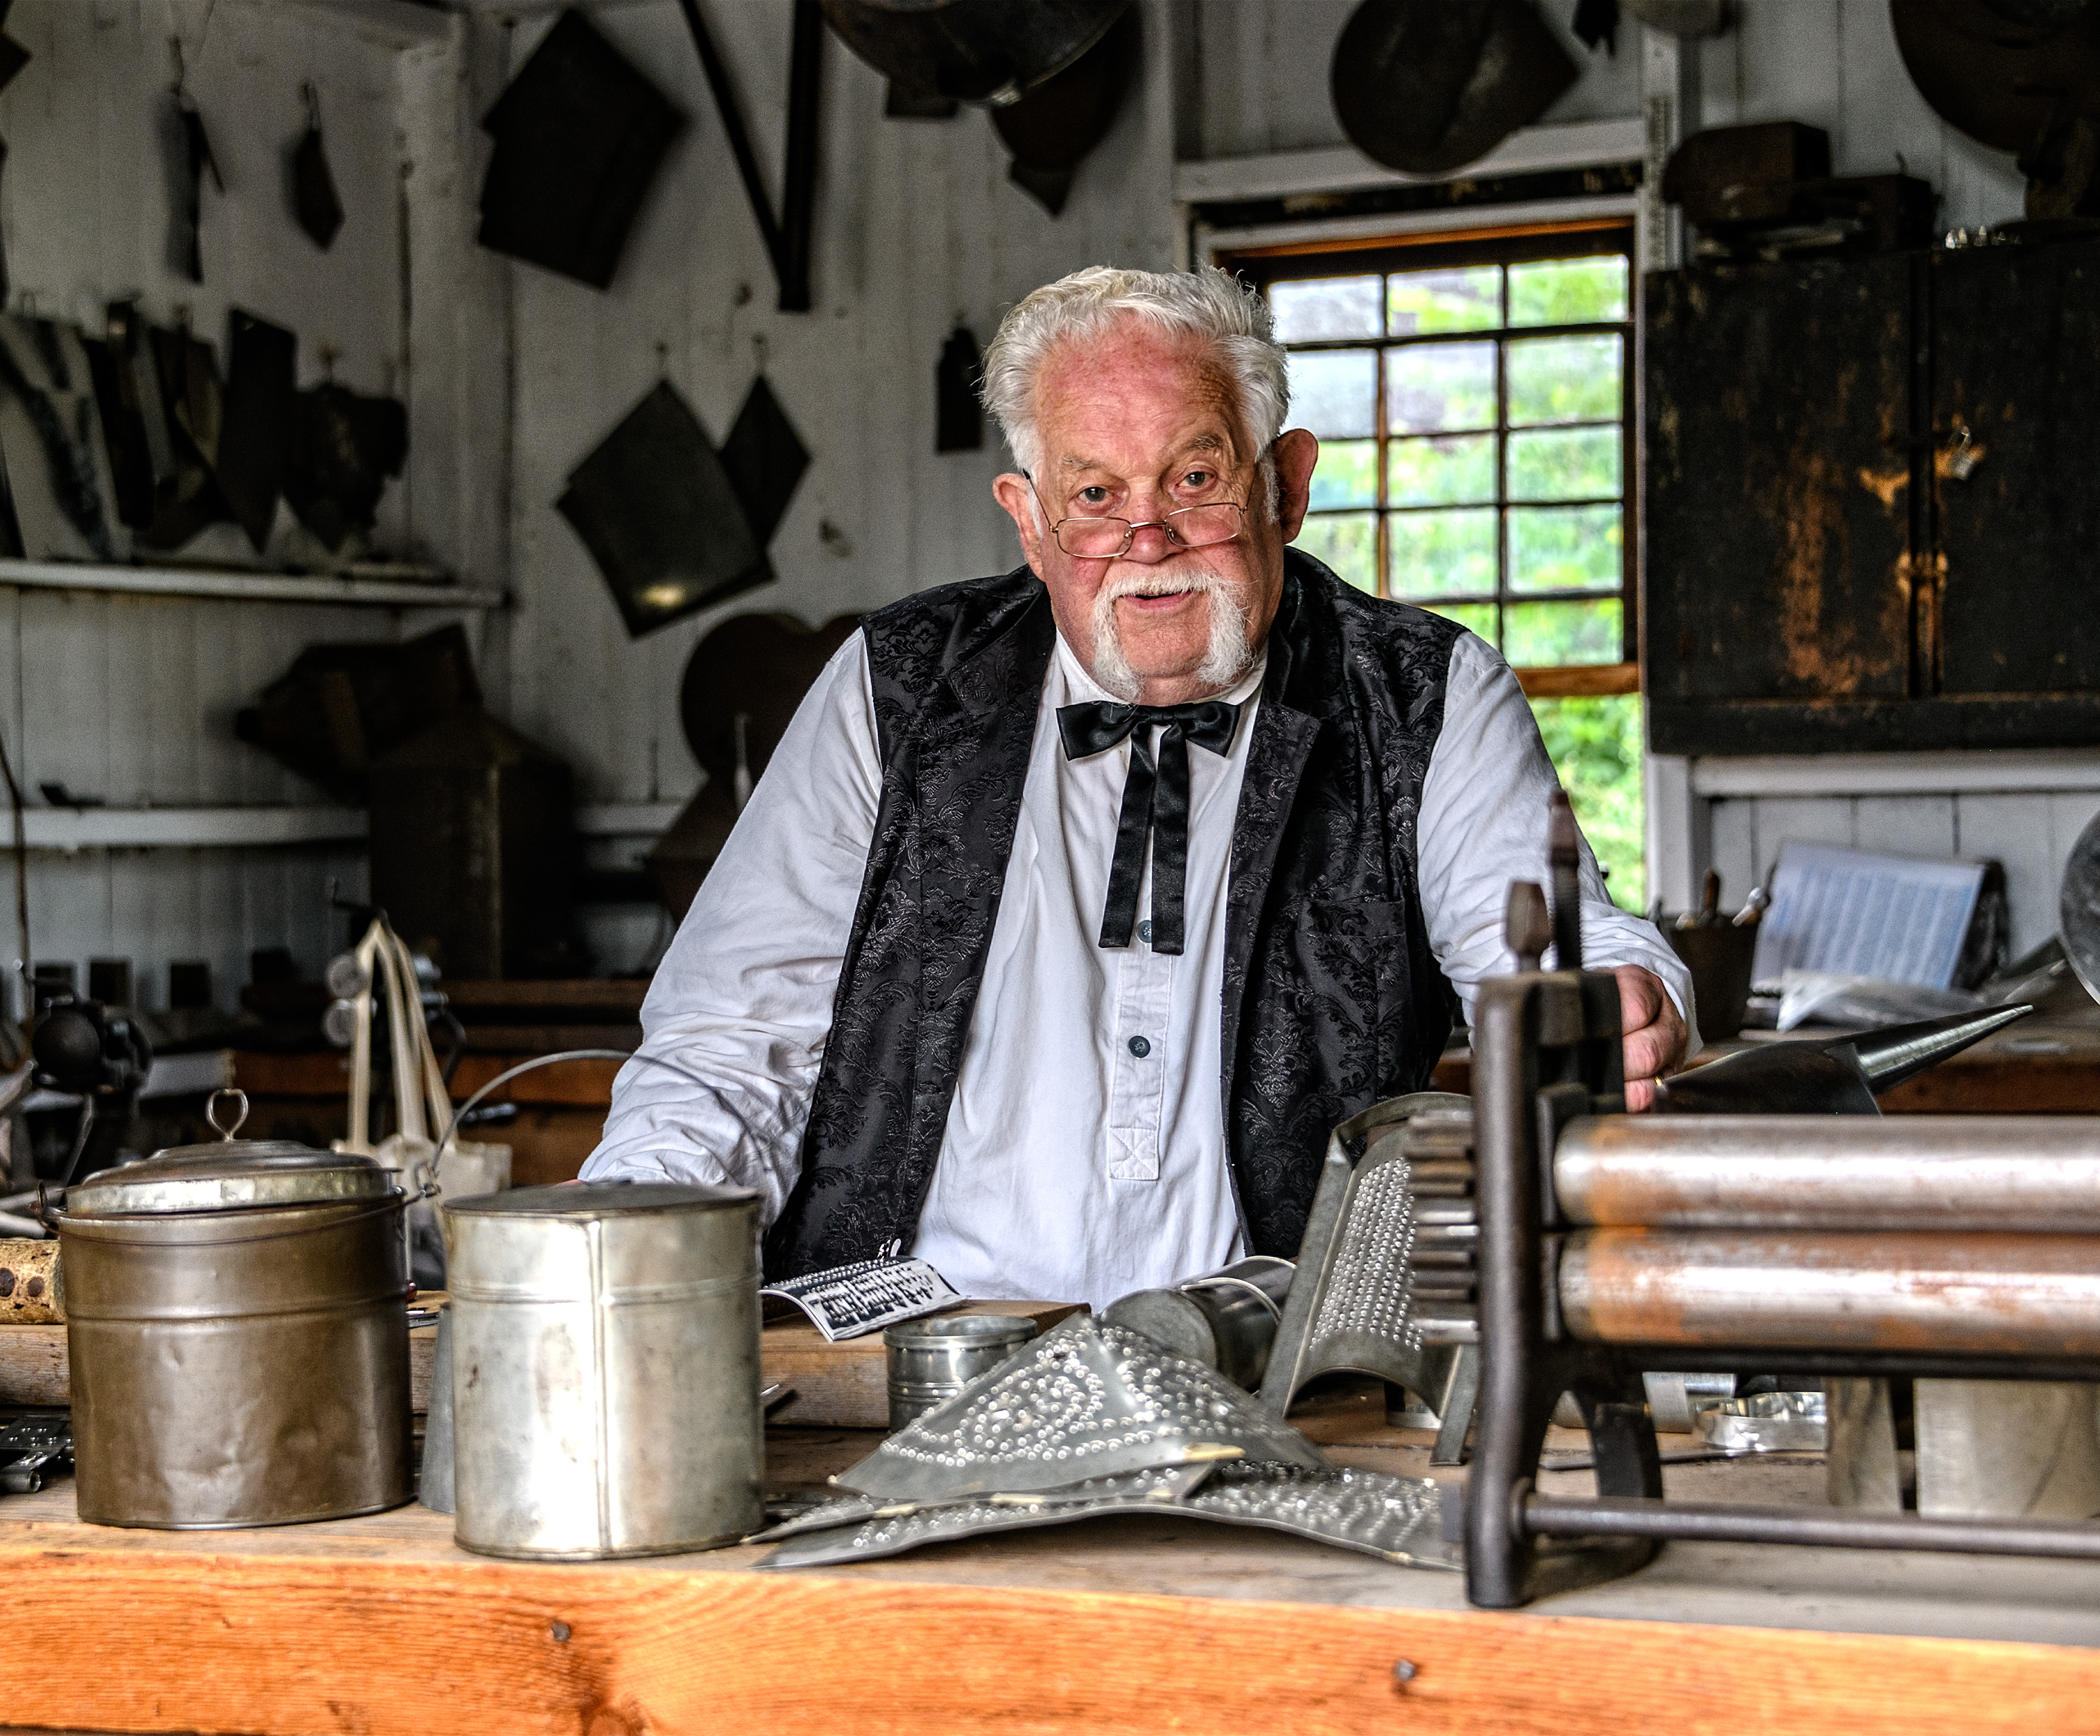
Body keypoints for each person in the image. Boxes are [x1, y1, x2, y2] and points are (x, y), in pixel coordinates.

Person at [581, 266, 1692, 1308]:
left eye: (1195, 479)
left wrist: (1618, 1005)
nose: (1146, 536)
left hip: (1289, 1372)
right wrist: (621, 1264)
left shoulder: (1424, 693)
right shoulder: (895, 687)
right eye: (1095, 492)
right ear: (1028, 520)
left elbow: (1556, 953)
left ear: (1285, 486)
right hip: (907, 1371)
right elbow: (729, 1052)